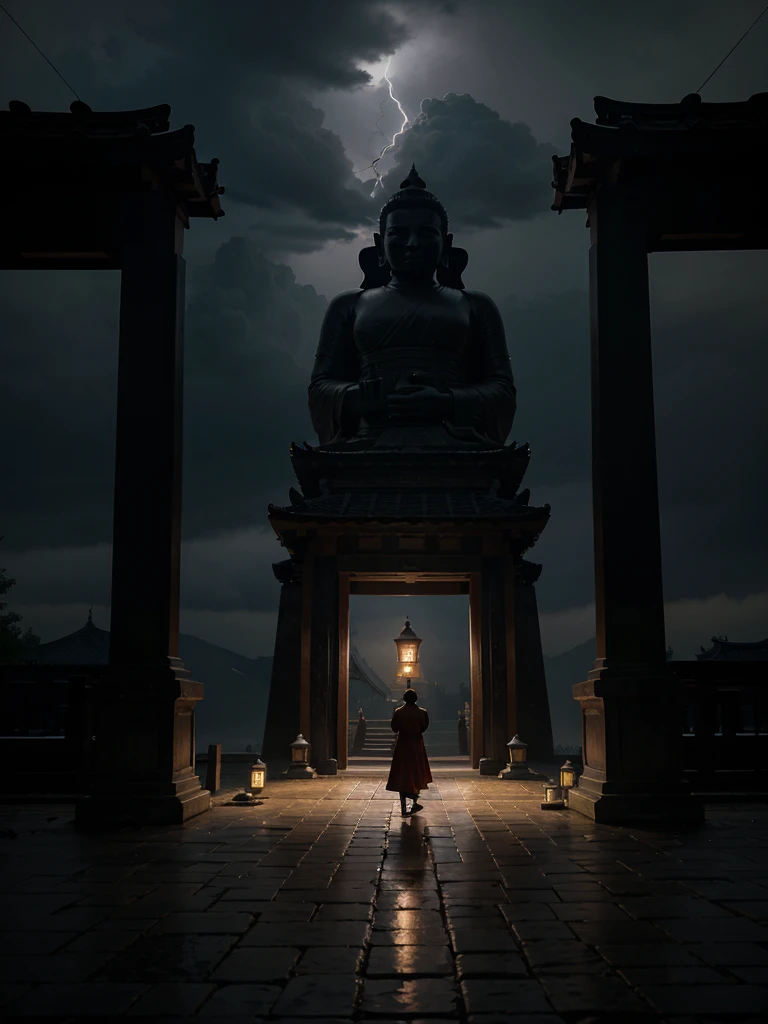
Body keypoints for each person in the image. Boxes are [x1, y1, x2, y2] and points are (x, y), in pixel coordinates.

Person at [386, 687, 433, 815]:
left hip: (403, 744)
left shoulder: (399, 712)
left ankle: (403, 804)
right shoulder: (422, 713)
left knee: (403, 773)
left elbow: (394, 728)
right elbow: (424, 727)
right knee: (417, 772)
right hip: (417, 744)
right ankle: (414, 800)